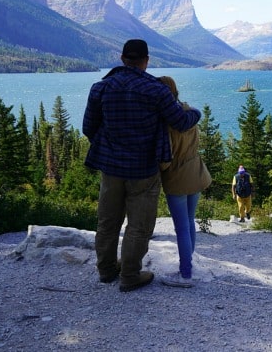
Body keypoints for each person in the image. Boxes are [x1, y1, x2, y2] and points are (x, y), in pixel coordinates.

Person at [83, 39, 201, 293]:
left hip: (111, 168)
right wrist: (196, 113)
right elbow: (181, 121)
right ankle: (130, 275)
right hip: (144, 169)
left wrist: (111, 147)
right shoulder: (154, 89)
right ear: (146, 60)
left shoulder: (101, 87)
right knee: (139, 225)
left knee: (107, 221)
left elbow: (88, 128)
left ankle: (106, 270)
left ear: (122, 58)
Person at [158, 76, 212, 288]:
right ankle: (188, 265)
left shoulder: (166, 121)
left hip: (177, 175)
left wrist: (158, 171)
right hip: (196, 171)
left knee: (181, 226)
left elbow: (167, 155)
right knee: (189, 222)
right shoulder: (189, 111)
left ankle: (185, 274)